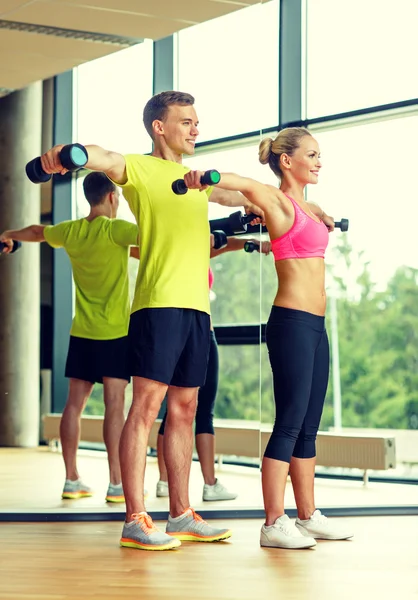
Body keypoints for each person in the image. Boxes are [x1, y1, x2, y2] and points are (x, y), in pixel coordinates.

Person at [37, 91, 260, 551]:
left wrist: (268, 205)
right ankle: (135, 517)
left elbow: (236, 192)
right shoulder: (139, 169)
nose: (195, 128)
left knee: (185, 410)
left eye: (197, 121)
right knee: (145, 409)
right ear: (160, 127)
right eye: (186, 121)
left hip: (198, 308)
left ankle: (180, 514)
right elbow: (105, 158)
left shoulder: (194, 178)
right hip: (158, 305)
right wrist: (69, 156)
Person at [183, 126, 354, 549]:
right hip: (291, 323)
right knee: (290, 423)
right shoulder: (275, 201)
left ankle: (308, 514)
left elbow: (315, 214)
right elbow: (238, 185)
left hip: (316, 326)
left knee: (309, 426)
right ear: (287, 160)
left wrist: (323, 215)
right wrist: (207, 177)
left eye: (319, 155)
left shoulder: (307, 206)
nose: (318, 161)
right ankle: (273, 522)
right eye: (311, 155)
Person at [0, 172, 139, 504]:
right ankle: (117, 484)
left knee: (73, 406)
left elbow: (36, 232)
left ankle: (71, 478)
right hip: (115, 333)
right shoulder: (116, 229)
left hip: (82, 333)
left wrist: (8, 233)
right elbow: (153, 235)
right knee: (115, 408)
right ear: (110, 198)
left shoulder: (72, 231)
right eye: (118, 198)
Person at [156, 236, 272, 502]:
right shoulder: (190, 244)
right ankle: (209, 484)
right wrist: (252, 243)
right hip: (200, 333)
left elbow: (222, 242)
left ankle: (164, 481)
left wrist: (252, 243)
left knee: (173, 411)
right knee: (201, 410)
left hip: (173, 333)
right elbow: (221, 242)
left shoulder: (174, 246)